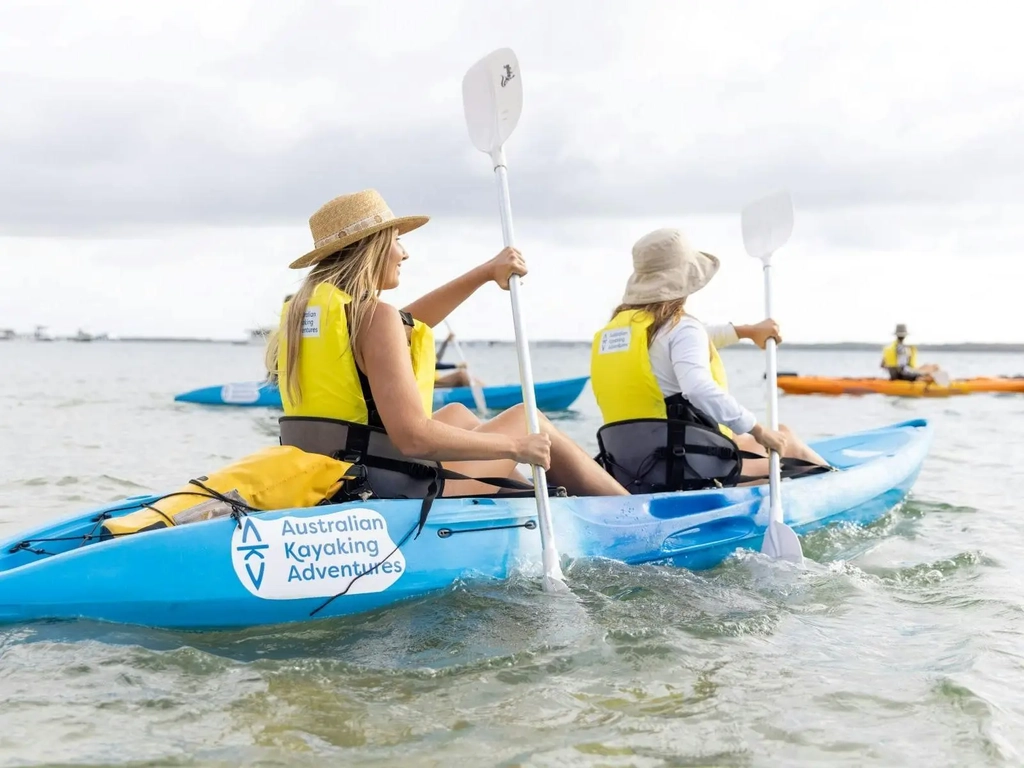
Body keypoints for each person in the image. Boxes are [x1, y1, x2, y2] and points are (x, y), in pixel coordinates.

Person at [264, 189, 628, 504]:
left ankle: (535, 506)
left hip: (338, 475)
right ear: (371, 249)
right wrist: (517, 447)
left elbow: (406, 323)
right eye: (396, 240)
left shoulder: (306, 317)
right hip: (384, 486)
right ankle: (633, 513)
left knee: (457, 414)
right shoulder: (371, 318)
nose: (403, 253)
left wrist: (485, 273)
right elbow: (413, 439)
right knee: (527, 420)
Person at [590, 227, 832, 494]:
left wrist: (746, 331)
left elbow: (691, 340)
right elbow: (697, 387)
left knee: (758, 438)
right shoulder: (680, 329)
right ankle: (838, 491)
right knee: (785, 437)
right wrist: (758, 429)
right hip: (683, 470)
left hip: (631, 469)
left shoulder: (615, 334)